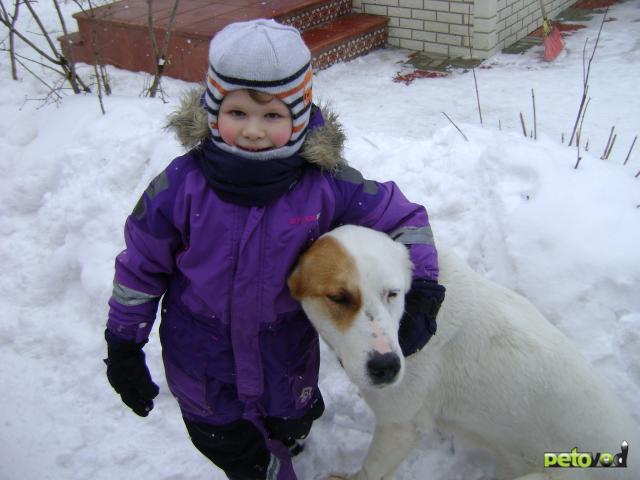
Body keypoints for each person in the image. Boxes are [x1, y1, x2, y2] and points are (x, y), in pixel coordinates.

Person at [104, 19, 445, 480]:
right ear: (212, 109)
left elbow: (405, 218)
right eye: (237, 112)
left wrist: (422, 289)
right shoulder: (180, 188)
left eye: (272, 116)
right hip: (202, 360)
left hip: (285, 356)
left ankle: (291, 435)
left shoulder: (324, 185)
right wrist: (125, 343)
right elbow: (140, 269)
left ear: (299, 117)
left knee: (293, 420)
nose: (253, 131)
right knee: (236, 451)